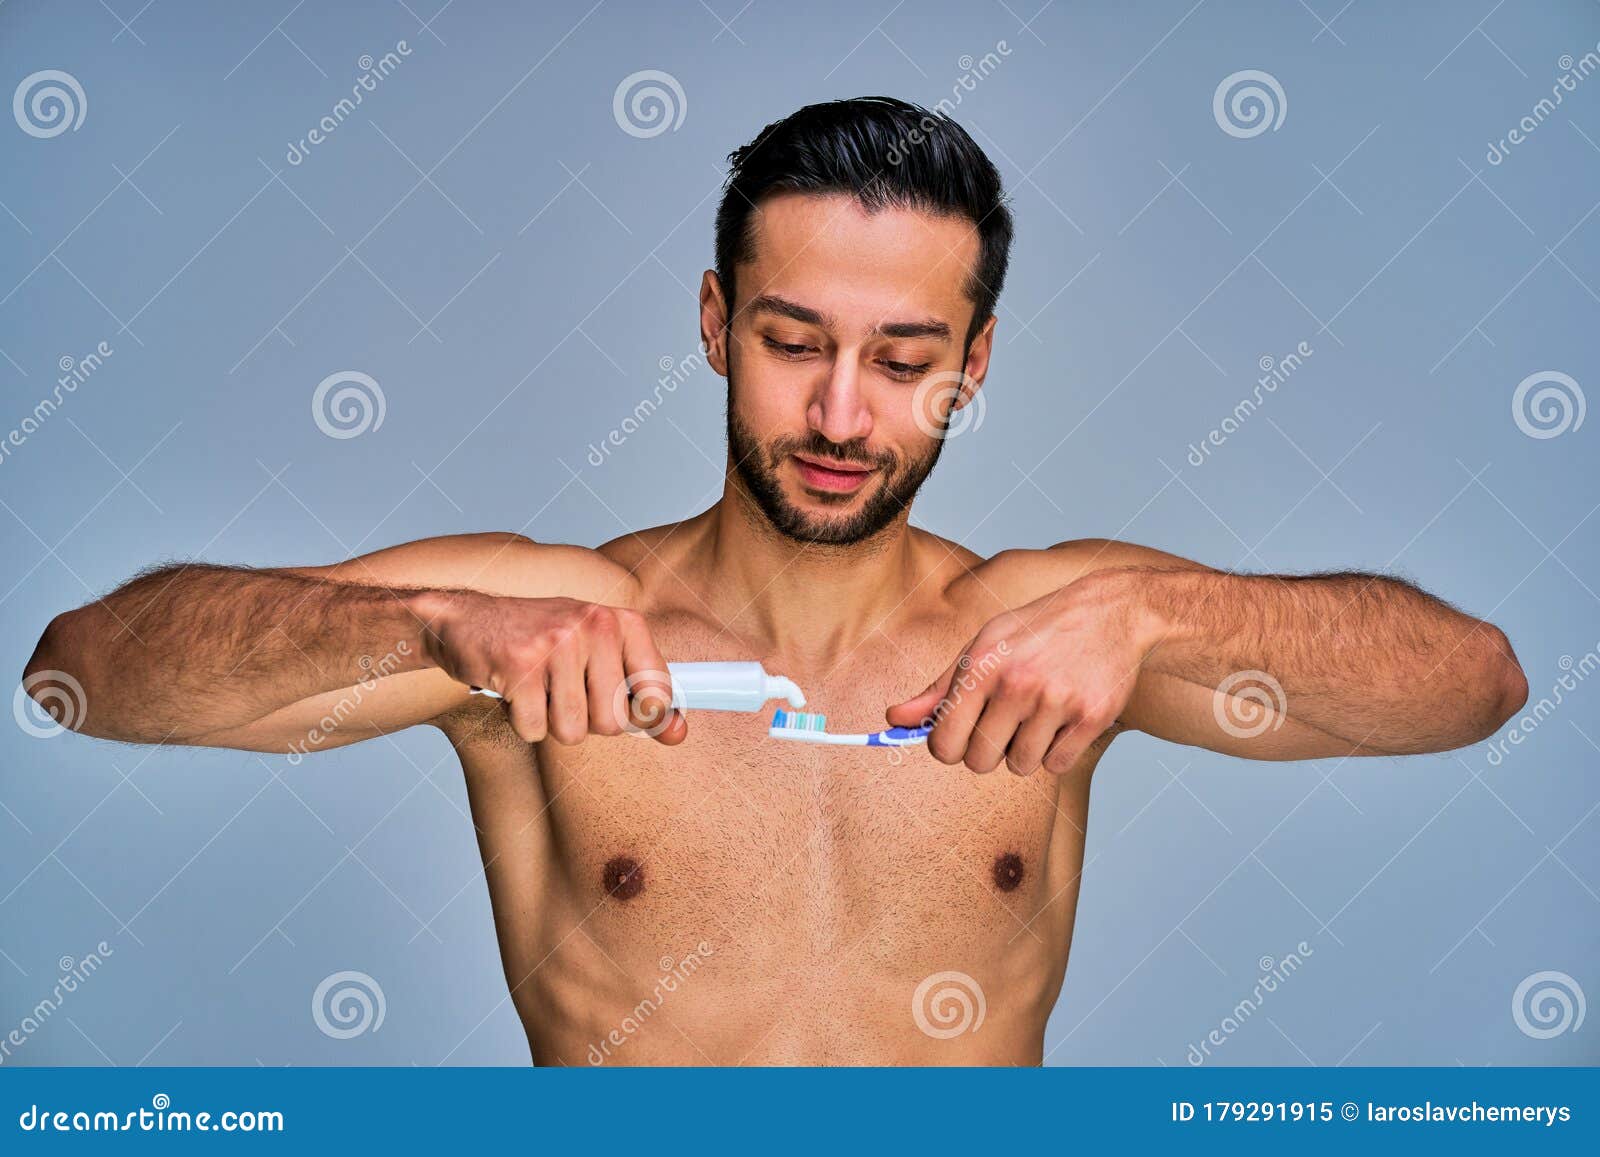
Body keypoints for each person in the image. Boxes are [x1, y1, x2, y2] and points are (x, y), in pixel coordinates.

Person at [22, 97, 1528, 1065]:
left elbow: (1475, 681)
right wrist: (427, 621)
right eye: (793, 342)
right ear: (714, 323)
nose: (839, 416)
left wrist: (1161, 612)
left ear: (976, 365)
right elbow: (81, 669)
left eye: (905, 361)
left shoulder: (1057, 627)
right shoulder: (546, 616)